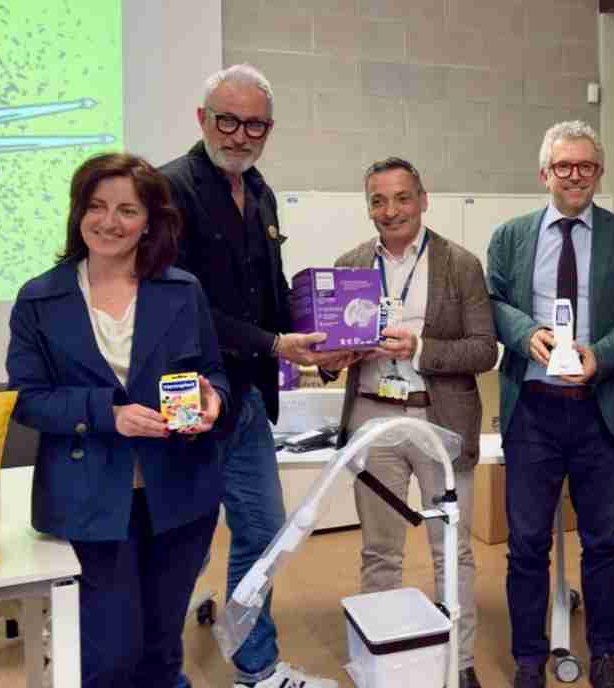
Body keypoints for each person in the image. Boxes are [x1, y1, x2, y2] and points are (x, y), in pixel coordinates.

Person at [6, 152, 228, 688]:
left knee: (162, 647)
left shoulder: (182, 290)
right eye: (96, 206)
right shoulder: (40, 298)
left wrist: (213, 400)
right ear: (78, 212)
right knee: (109, 654)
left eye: (127, 210)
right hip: (88, 497)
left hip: (179, 492)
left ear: (149, 221)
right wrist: (108, 415)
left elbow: (214, 372)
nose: (110, 221)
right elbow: (28, 399)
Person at [159, 63, 343, 688]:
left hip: (248, 399)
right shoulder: (168, 189)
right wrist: (273, 343)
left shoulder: (260, 191)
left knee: (263, 534)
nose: (240, 135)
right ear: (203, 119)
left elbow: (269, 292)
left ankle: (256, 667)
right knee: (182, 541)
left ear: (269, 128)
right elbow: (180, 305)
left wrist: (318, 344)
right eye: (228, 121)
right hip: (186, 394)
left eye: (255, 125)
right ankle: (157, 671)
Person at [321, 157, 497, 688]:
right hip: (372, 415)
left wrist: (419, 348)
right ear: (368, 206)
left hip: (440, 418)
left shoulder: (459, 263)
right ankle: (386, 663)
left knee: (452, 551)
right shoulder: (349, 265)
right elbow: (331, 349)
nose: (390, 210)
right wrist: (332, 358)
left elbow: (484, 350)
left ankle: (459, 661)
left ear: (423, 199)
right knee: (379, 549)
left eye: (402, 197)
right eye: (378, 200)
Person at [487, 121, 614, 688]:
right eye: (563, 166)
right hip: (533, 409)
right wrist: (523, 332)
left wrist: (599, 354)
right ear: (544, 173)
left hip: (599, 410)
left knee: (604, 542)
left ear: (598, 173)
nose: (574, 176)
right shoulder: (511, 235)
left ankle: (605, 654)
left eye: (585, 166)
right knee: (527, 543)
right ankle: (529, 658)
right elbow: (493, 301)